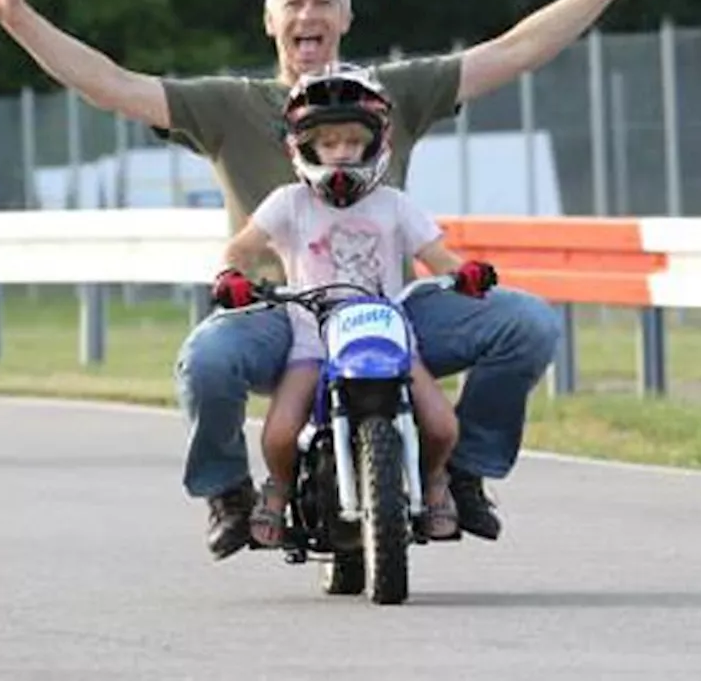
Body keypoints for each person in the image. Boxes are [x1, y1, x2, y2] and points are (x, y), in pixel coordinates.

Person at [0, 0, 681, 559]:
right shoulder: (229, 106)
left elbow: (517, 48)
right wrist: (17, 18)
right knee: (206, 359)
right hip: (281, 313)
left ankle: (461, 472)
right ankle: (231, 492)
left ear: (346, 16)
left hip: (390, 307)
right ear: (270, 19)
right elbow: (112, 85)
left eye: (323, 2)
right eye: (293, 3)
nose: (308, 15)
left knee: (527, 322)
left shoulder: (391, 93)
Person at [211, 66, 499, 545]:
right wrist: (230, 275)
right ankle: (278, 490)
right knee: (280, 433)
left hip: (390, 335)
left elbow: (438, 256)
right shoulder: (289, 203)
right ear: (305, 148)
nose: (341, 152)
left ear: (374, 143)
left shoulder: (394, 204)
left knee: (443, 424)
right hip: (314, 340)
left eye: (352, 141)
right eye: (328, 143)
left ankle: (434, 484)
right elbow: (241, 247)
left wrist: (465, 273)